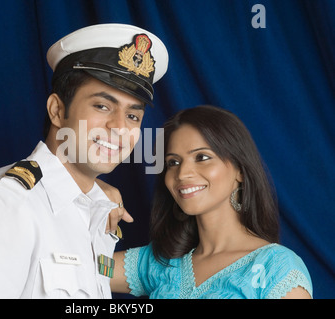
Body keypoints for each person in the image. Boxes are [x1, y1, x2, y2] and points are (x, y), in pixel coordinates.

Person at [0, 24, 169, 298]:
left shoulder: (100, 209)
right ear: (57, 111)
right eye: (102, 106)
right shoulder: (6, 206)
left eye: (133, 116)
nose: (119, 127)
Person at [109, 105, 313, 299]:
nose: (182, 173)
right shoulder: (160, 262)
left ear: (240, 170)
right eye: (173, 162)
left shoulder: (277, 268)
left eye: (202, 157)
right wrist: (93, 191)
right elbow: (85, 265)